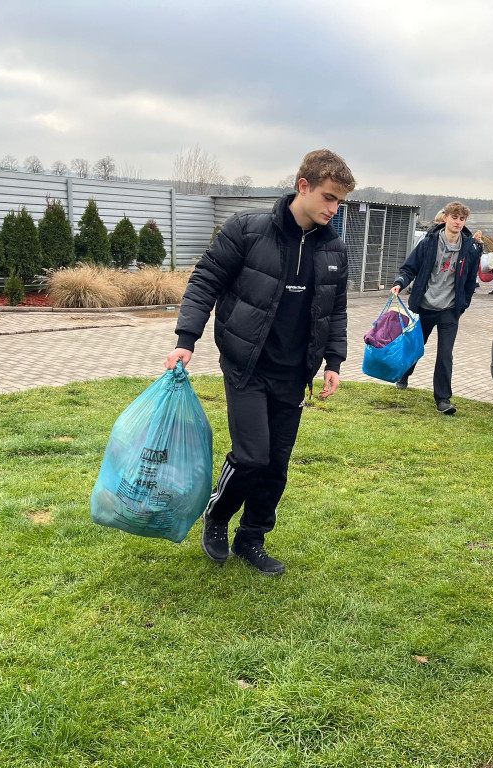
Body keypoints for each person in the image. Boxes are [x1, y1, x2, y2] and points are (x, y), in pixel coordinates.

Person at [163, 150, 355, 575]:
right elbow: (205, 280)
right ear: (302, 186)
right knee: (252, 456)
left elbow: (335, 311)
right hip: (246, 364)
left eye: (339, 201)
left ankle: (251, 538)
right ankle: (216, 516)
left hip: (294, 374)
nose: (333, 209)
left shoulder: (334, 250)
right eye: (328, 197)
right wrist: (186, 339)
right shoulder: (247, 230)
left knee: (276, 465)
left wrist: (334, 362)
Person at [389, 202, 483, 415]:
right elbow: (409, 267)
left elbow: (470, 280)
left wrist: (463, 305)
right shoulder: (429, 242)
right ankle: (405, 373)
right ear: (445, 218)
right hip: (424, 306)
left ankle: (443, 399)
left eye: (462, 219)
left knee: (445, 355)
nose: (458, 222)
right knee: (416, 348)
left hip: (449, 310)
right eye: (454, 217)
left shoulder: (470, 248)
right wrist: (400, 282)